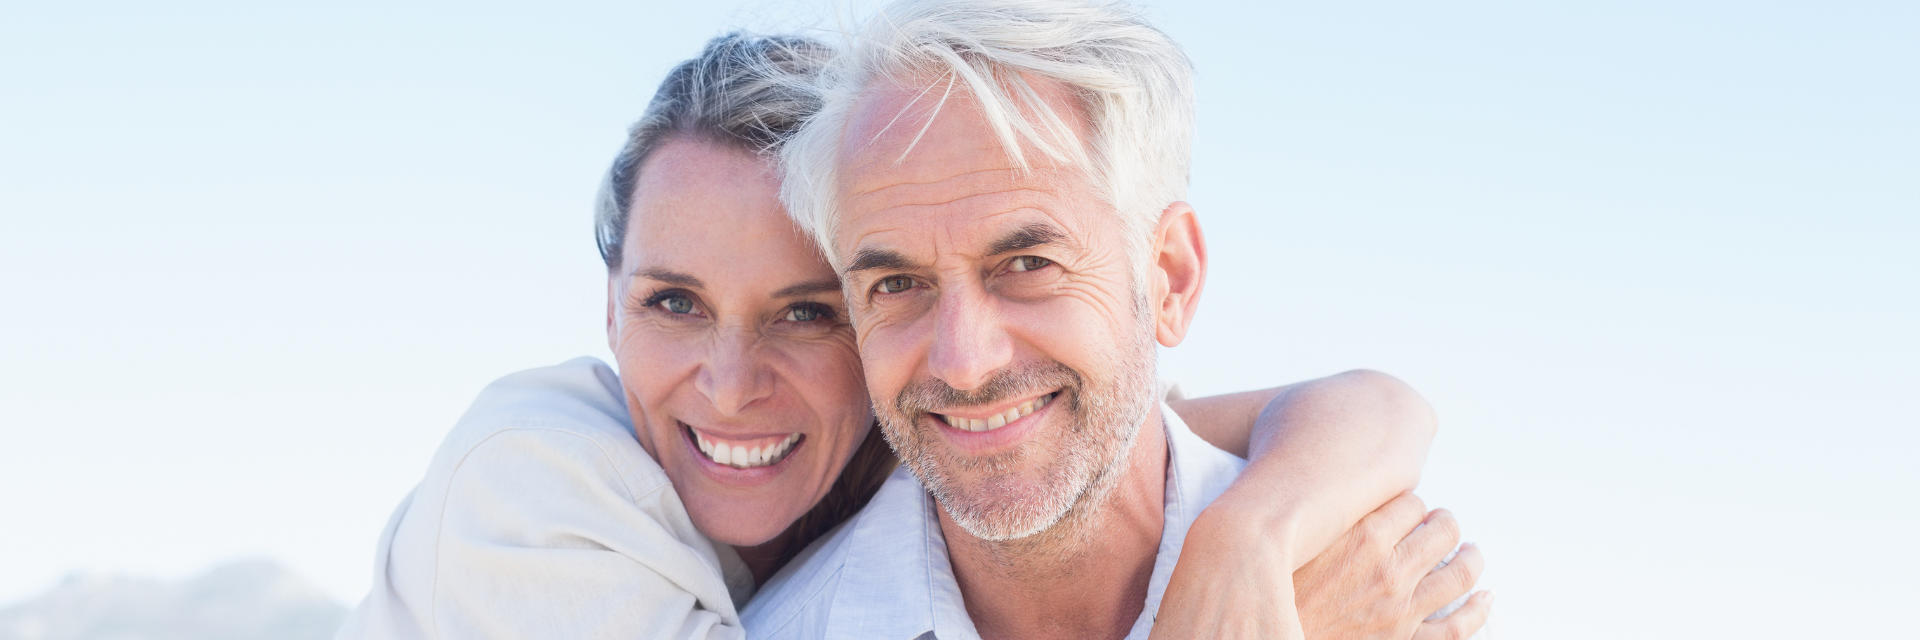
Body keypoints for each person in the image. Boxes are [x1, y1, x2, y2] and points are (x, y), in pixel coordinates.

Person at [337, 27, 1472, 640]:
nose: (729, 385)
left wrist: (1251, 539)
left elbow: (1343, 403)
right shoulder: (534, 501)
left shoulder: (1347, 555)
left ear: (1166, 276)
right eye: (672, 301)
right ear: (608, 307)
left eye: (807, 311)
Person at [741, 1, 1491, 639]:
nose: (963, 361)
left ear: (1169, 277)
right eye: (898, 283)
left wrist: (1249, 540)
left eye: (1029, 265)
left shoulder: (1381, 579)